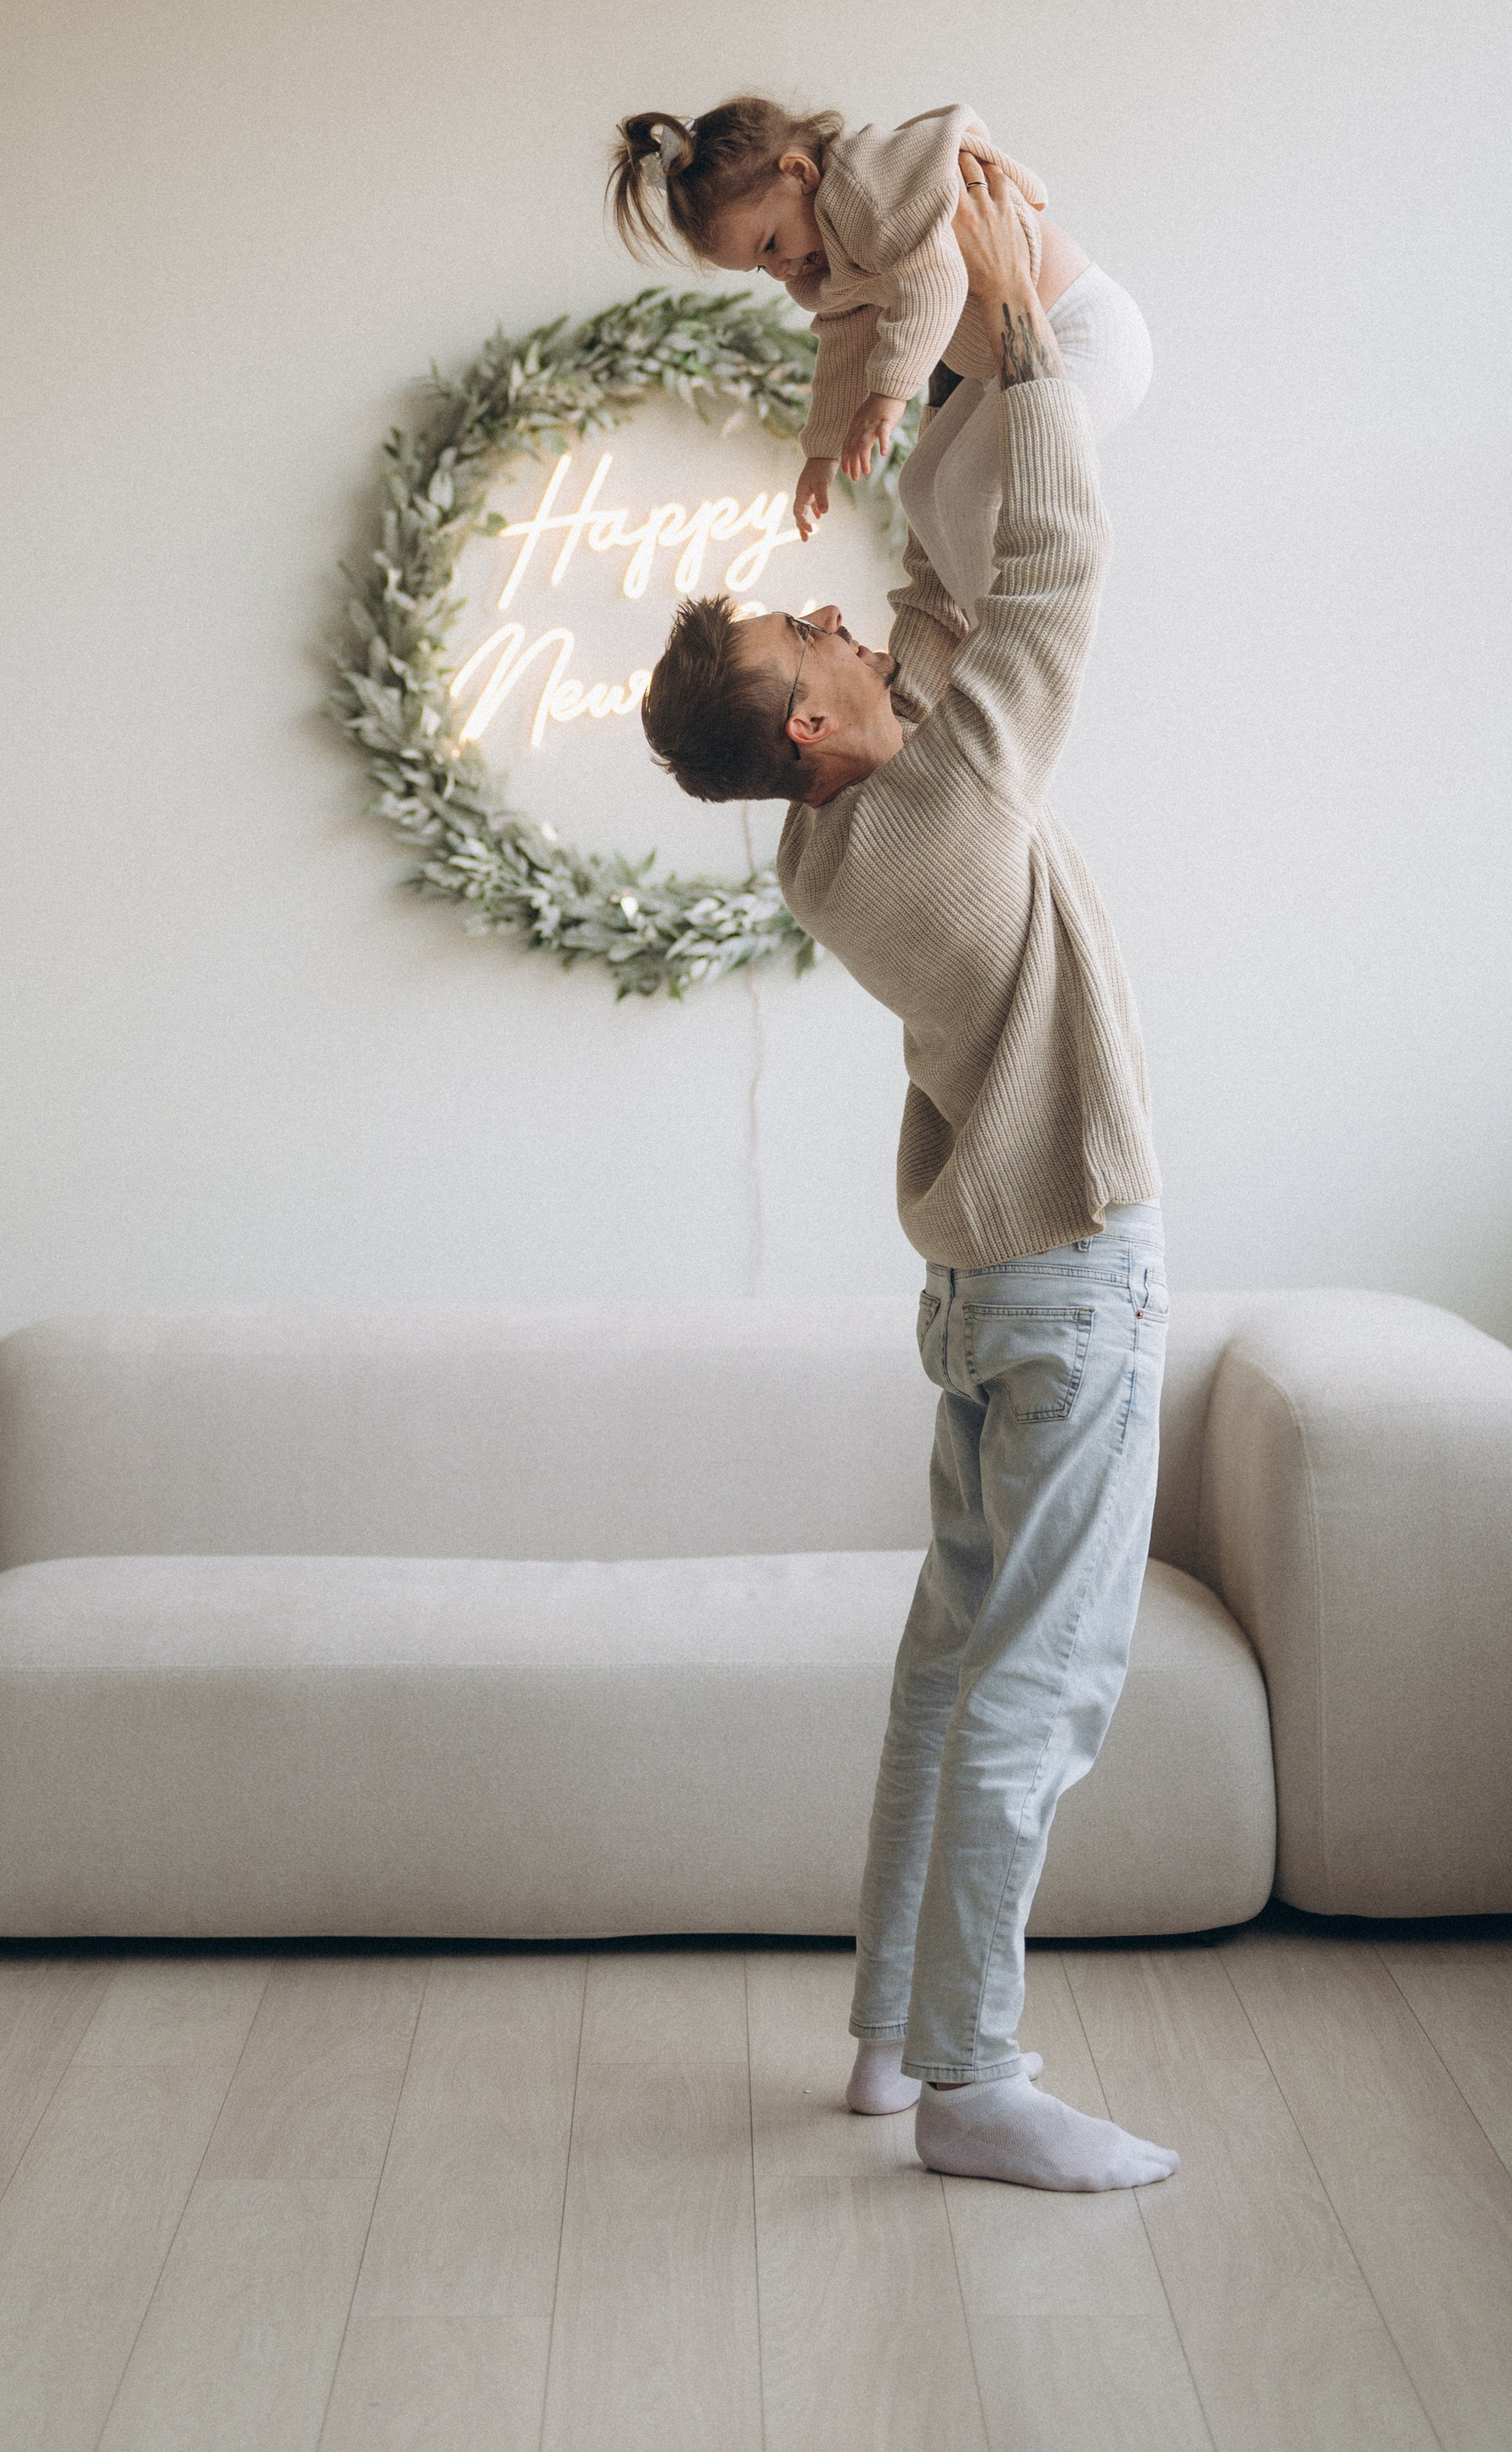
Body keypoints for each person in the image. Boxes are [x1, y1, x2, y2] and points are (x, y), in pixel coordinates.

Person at [638, 152, 1179, 2195]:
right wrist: (1023, 339)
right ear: (813, 721)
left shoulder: (839, 833)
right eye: (811, 630)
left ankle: (883, 2031)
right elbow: (1041, 590)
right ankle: (972, 2073)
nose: (842, 617)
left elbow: (945, 619)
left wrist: (916, 389)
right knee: (1035, 1676)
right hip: (1064, 1269)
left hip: (981, 1296)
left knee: (949, 1653)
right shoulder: (933, 808)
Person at [608, 93, 1150, 589]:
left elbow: (934, 282)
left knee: (964, 489)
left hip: (1081, 332)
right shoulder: (832, 255)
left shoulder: (865, 190)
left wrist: (887, 396)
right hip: (1005, 366)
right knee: (920, 488)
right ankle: (975, 624)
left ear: (798, 172)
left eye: (771, 243)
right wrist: (821, 452)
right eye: (759, 266)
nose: (778, 269)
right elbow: (845, 348)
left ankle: (996, 635)